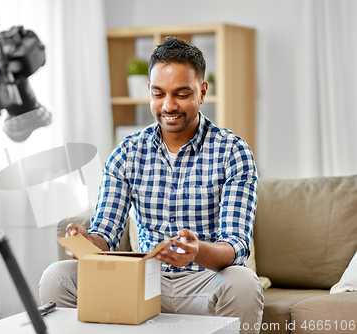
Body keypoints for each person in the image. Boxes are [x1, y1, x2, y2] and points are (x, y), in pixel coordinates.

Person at [39, 37, 263, 334]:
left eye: (181, 94)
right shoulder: (127, 152)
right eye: (159, 94)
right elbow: (105, 235)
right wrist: (84, 242)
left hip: (203, 282)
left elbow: (235, 247)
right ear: (149, 91)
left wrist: (196, 252)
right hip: (140, 282)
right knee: (57, 276)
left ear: (203, 91)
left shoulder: (233, 151)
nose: (168, 106)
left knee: (244, 283)